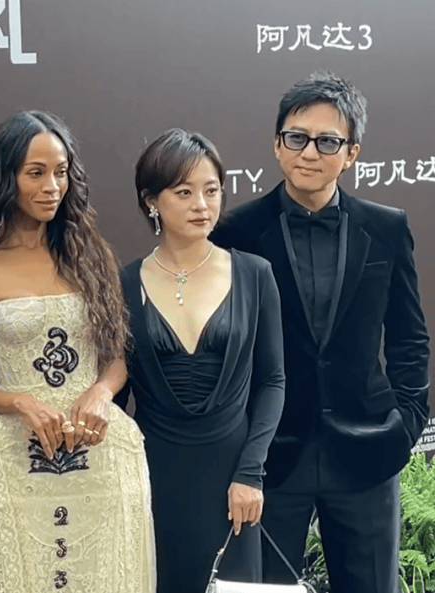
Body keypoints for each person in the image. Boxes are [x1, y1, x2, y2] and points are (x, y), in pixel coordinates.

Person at [211, 72, 430, 593]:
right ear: (277, 144)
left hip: (367, 452)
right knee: (267, 591)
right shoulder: (236, 231)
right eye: (297, 137)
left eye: (327, 141)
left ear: (351, 153)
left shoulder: (386, 227)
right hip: (271, 456)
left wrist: (406, 424)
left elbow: (409, 337)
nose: (309, 152)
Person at [0, 110, 155, 592]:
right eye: (35, 173)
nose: (52, 186)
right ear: (4, 178)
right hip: (6, 462)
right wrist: (19, 401)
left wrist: (101, 393)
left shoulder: (91, 256)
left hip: (99, 452)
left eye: (60, 172)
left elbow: (116, 357)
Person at [120, 129, 285, 591]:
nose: (202, 205)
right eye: (184, 192)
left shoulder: (255, 275)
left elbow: (272, 381)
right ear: (151, 200)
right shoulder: (124, 284)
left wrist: (251, 472)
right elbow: (114, 394)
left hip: (234, 479)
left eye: (211, 191)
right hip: (153, 478)